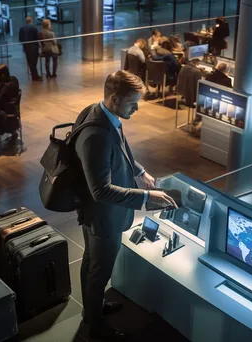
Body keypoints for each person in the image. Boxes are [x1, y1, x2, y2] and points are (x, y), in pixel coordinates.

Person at [74, 70, 177, 341]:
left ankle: (91, 309)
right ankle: (95, 325)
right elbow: (101, 190)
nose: (137, 108)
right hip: (103, 217)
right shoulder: (98, 134)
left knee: (91, 262)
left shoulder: (101, 113)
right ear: (114, 97)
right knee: (100, 270)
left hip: (96, 214)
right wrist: (145, 198)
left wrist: (139, 171)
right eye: (132, 103)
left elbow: (122, 145)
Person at [19, 17, 42, 81]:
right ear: (31, 21)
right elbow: (37, 38)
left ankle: (35, 76)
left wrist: (24, 45)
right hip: (34, 48)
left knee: (30, 62)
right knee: (33, 63)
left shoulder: (21, 28)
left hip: (26, 48)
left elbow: (20, 38)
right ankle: (35, 77)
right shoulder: (33, 28)